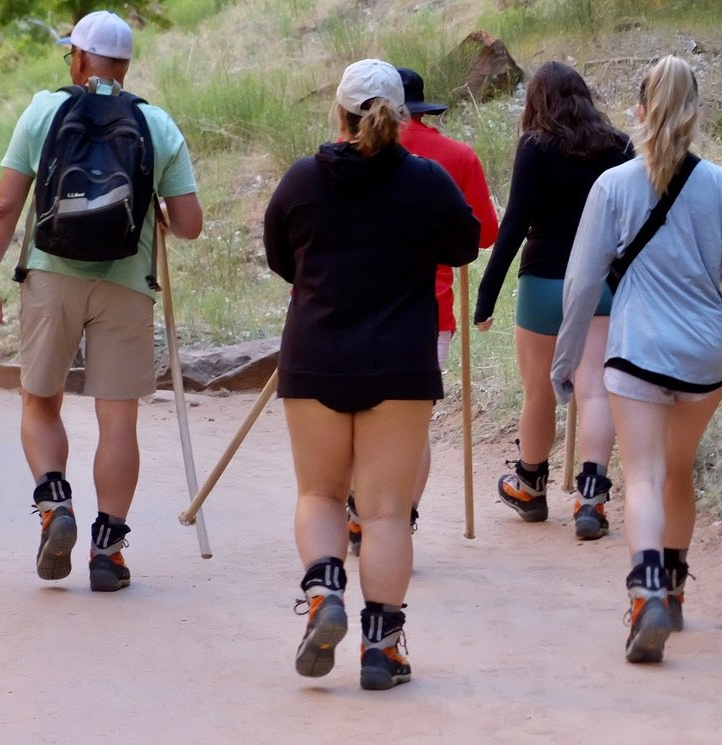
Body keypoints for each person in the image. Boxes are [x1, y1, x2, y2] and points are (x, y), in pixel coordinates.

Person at [264, 59, 479, 690]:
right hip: (400, 360)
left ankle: (324, 590)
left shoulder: (303, 179)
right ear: (403, 116)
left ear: (340, 112)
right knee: (385, 511)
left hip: (316, 354)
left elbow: (282, 256)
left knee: (320, 495)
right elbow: (465, 245)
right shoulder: (427, 180)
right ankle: (382, 648)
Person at [0, 11, 203, 592]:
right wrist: (160, 213)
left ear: (77, 58)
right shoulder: (157, 124)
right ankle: (109, 551)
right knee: (117, 419)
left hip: (51, 276)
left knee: (39, 400)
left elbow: (4, 206)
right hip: (127, 284)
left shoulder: (44, 111)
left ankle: (56, 504)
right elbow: (191, 224)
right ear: (124, 65)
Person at [550, 55, 722, 663]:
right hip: (703, 356)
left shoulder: (611, 187)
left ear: (638, 114)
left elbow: (582, 285)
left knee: (642, 475)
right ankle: (672, 588)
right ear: (695, 115)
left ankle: (644, 592)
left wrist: (564, 362)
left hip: (638, 350)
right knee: (678, 470)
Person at [473, 61, 634, 539]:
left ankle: (529, 484)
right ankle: (592, 498)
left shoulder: (536, 146)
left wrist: (486, 296)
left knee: (539, 389)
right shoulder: (619, 146)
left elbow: (516, 222)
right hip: (601, 284)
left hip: (544, 282)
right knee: (594, 390)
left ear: (537, 102)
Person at [344, 66, 499, 555]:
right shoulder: (455, 156)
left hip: (351, 308)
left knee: (354, 416)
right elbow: (485, 235)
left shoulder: (341, 156)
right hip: (429, 312)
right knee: (412, 426)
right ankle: (399, 517)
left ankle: (356, 512)